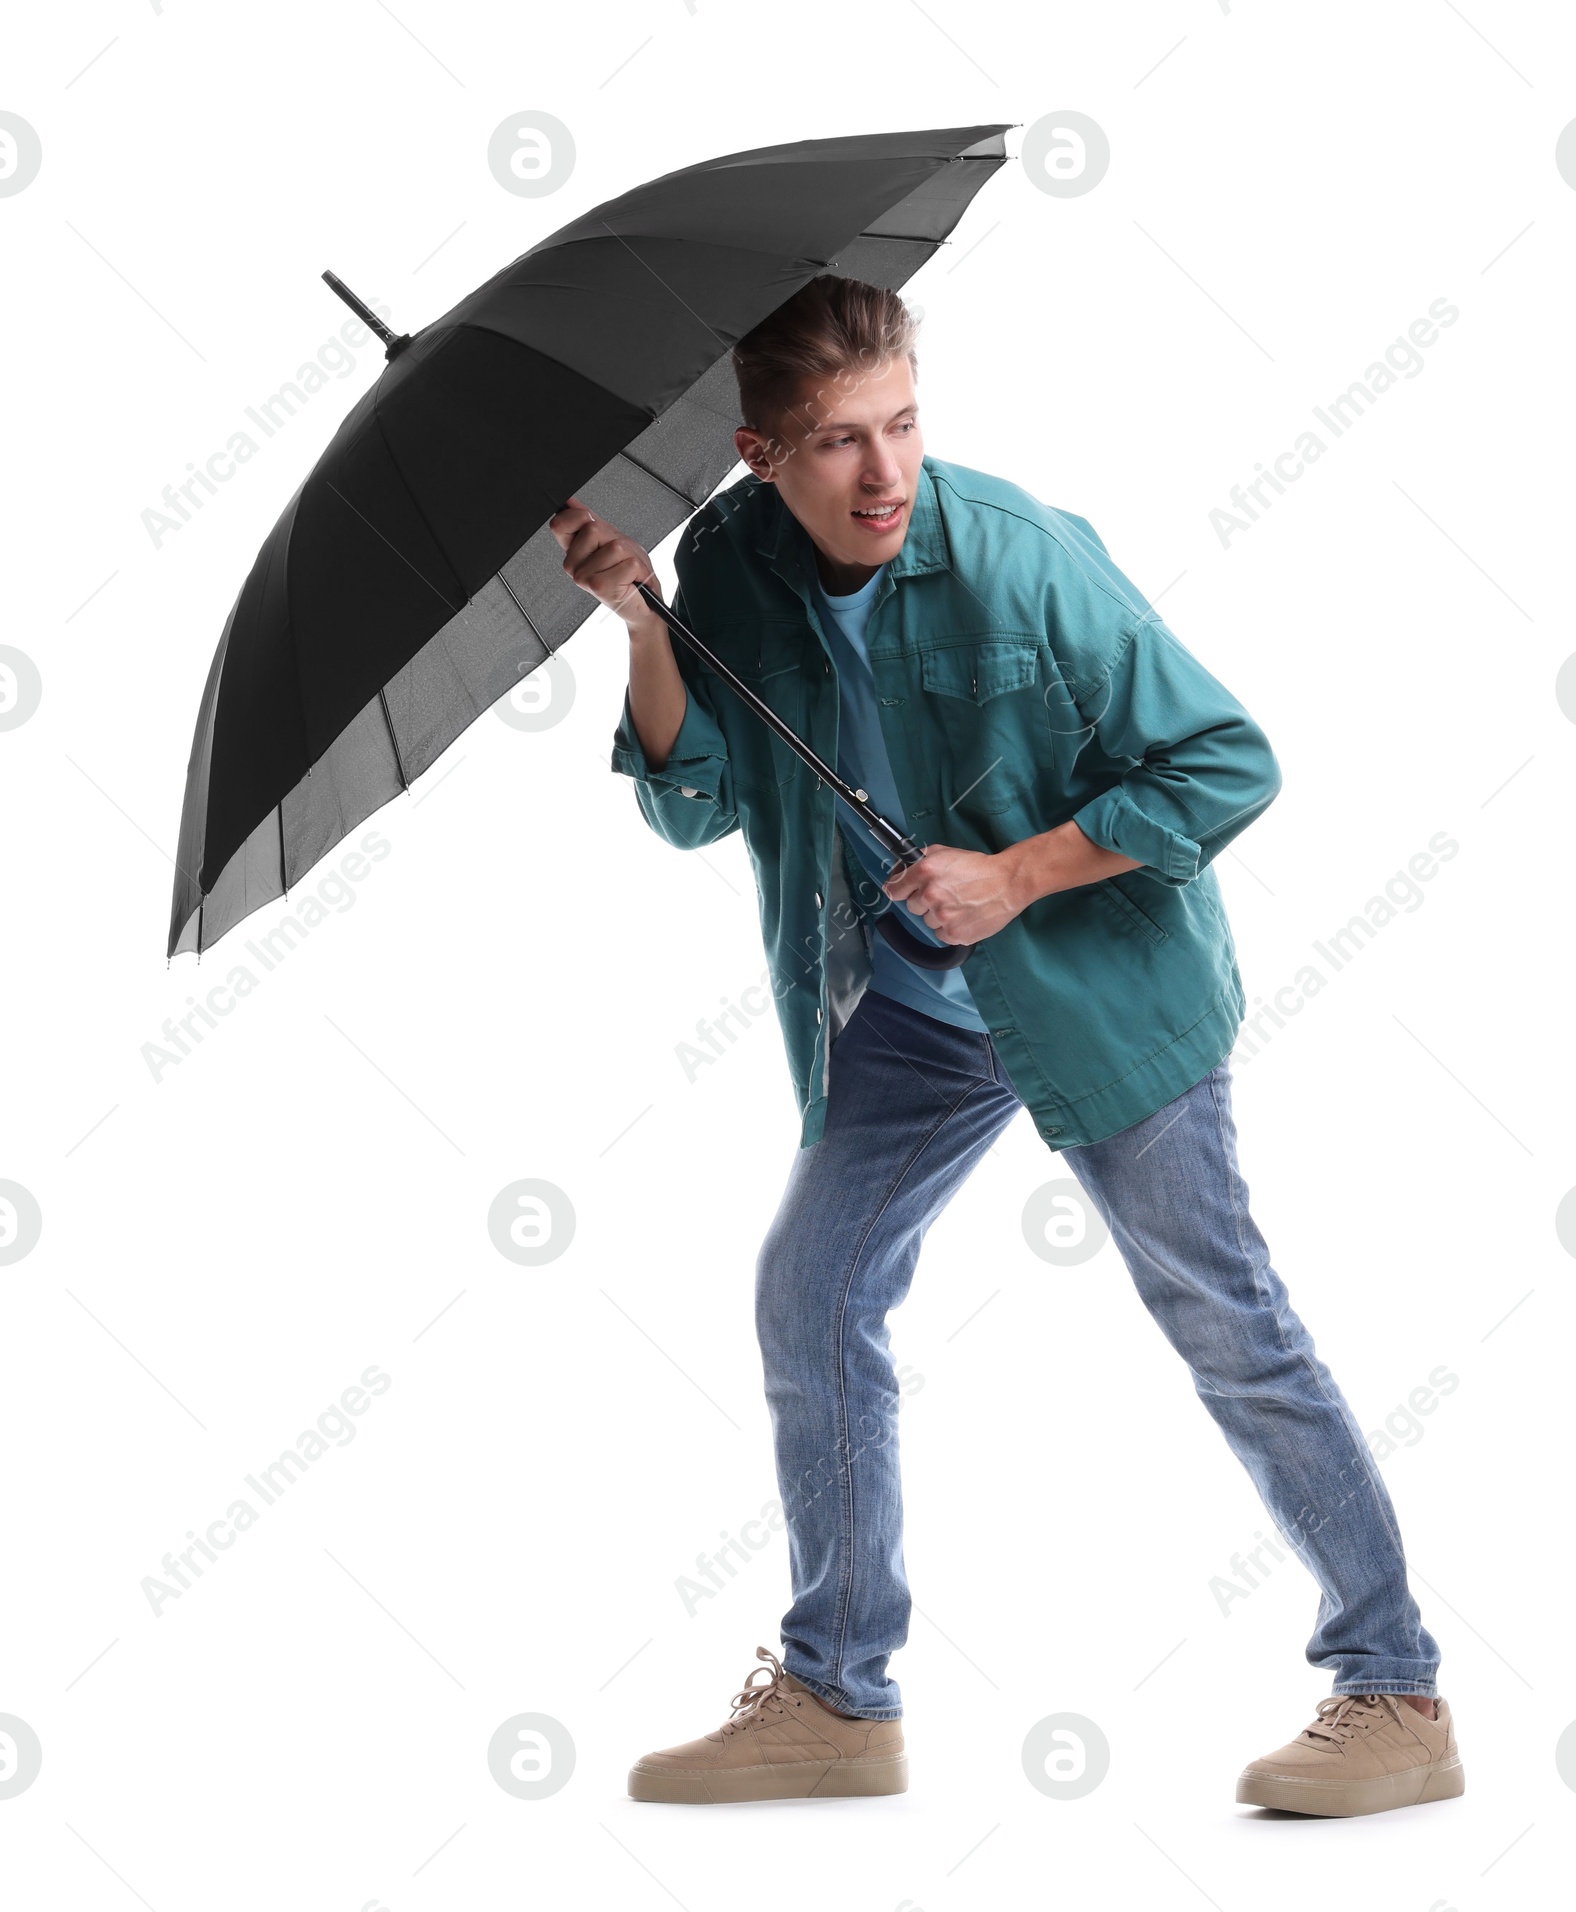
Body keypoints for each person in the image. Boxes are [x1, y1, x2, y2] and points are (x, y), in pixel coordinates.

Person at [549, 275, 1462, 1816]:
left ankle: (1396, 1690)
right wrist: (641, 626)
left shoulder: (1021, 563)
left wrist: (1017, 871)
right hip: (900, 1011)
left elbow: (1228, 761)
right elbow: (693, 801)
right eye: (838, 441)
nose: (884, 473)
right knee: (811, 1293)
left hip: (1093, 988)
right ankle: (840, 1697)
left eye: (903, 422)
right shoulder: (729, 565)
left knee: (1223, 1319)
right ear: (760, 453)